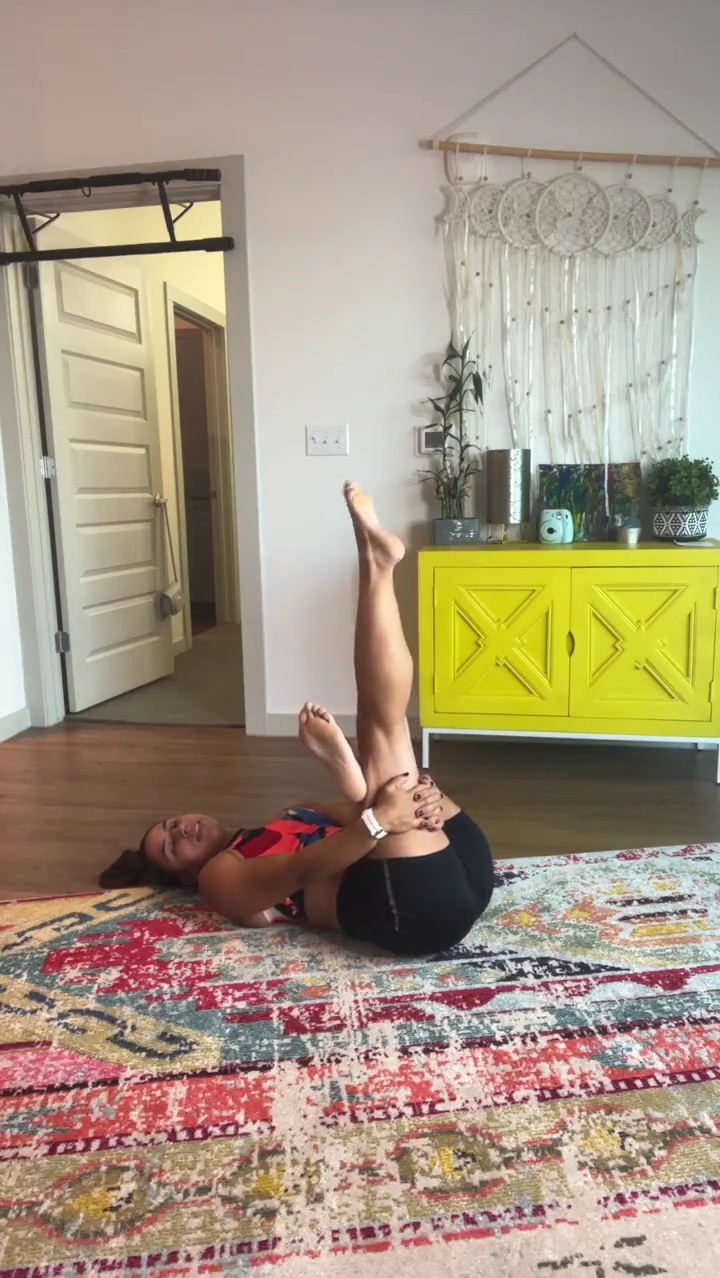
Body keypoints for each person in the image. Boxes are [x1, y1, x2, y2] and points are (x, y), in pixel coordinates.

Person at [99, 484, 494, 956]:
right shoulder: (218, 878)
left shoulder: (292, 813)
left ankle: (374, 561)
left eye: (171, 823)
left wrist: (423, 797)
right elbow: (302, 870)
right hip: (415, 911)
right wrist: (379, 819)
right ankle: (375, 564)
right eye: (171, 847)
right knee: (382, 730)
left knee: (383, 756)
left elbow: (373, 809)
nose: (180, 830)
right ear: (183, 876)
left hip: (462, 866)